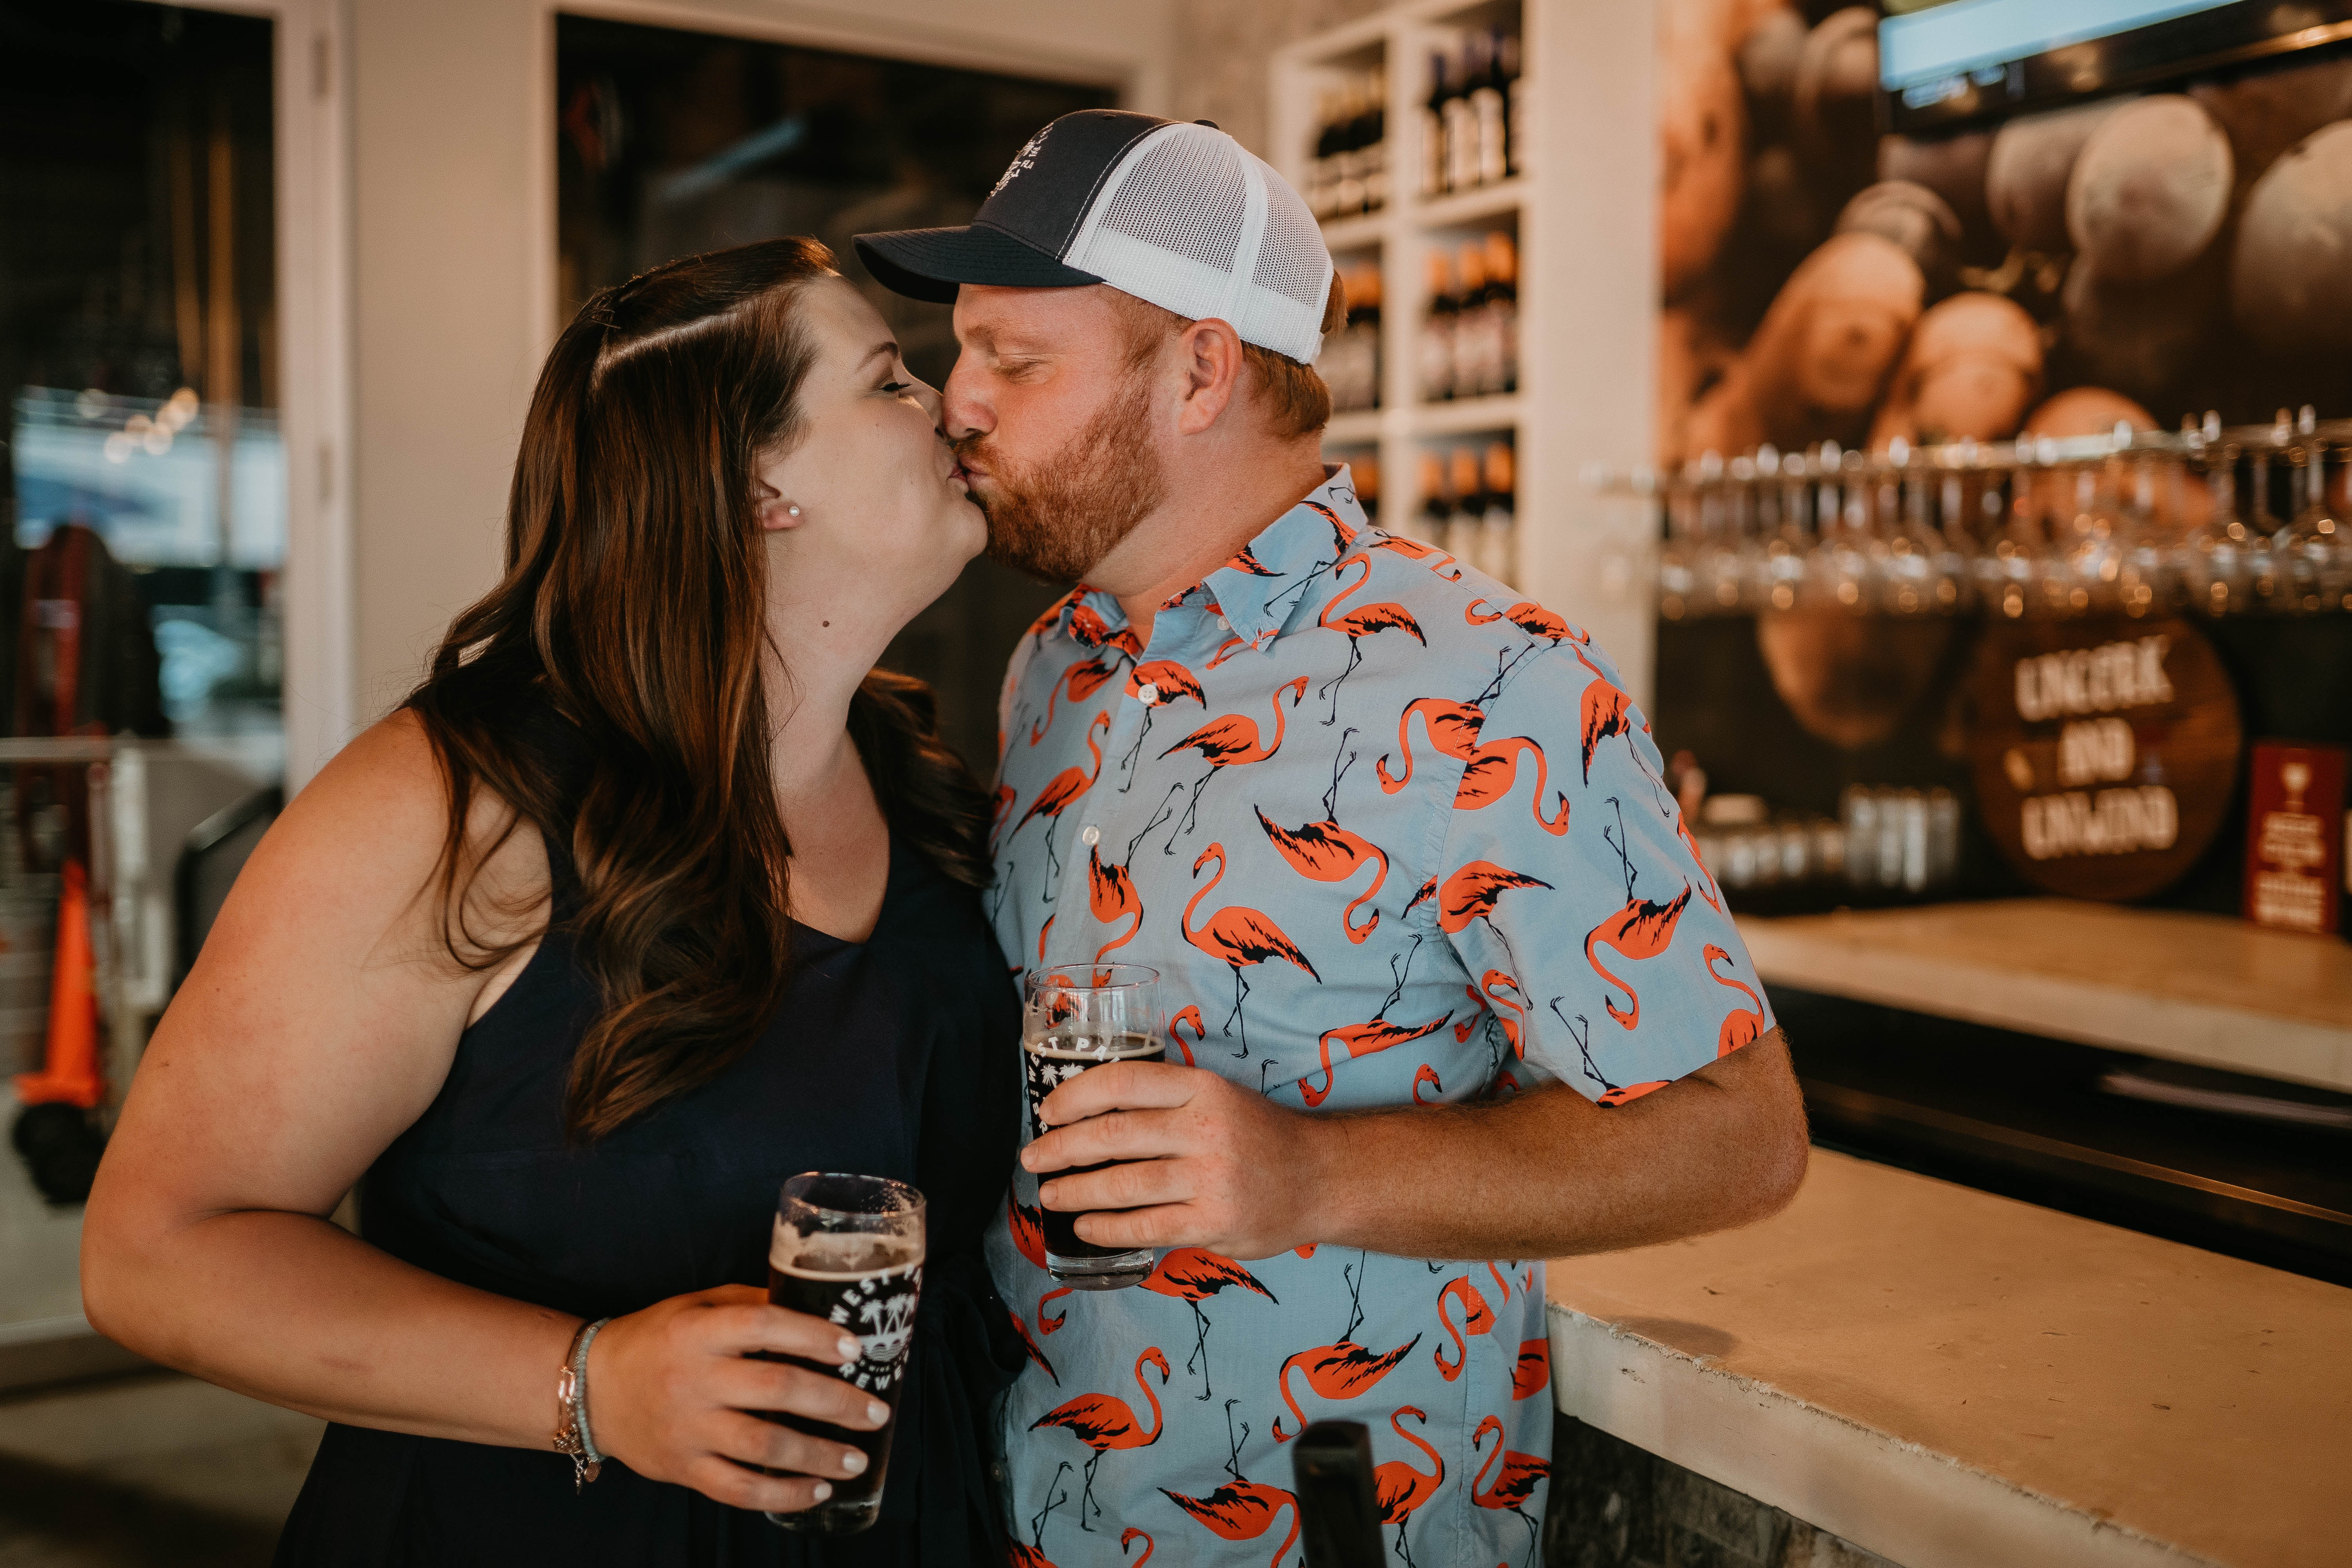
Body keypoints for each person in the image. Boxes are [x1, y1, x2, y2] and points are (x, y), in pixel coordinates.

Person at [855, 112, 1810, 1565]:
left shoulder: (1494, 680)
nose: (957, 403)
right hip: (1029, 1506)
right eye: (961, 352)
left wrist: (1311, 1176)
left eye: (1017, 360)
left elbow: (1741, 1138)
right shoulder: (1060, 662)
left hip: (1322, 1533)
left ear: (1200, 371)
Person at [80, 238, 1026, 1566]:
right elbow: (155, 1252)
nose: (954, 404)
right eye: (889, 381)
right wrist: (592, 1382)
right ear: (757, 487)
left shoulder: (919, 781)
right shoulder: (454, 807)